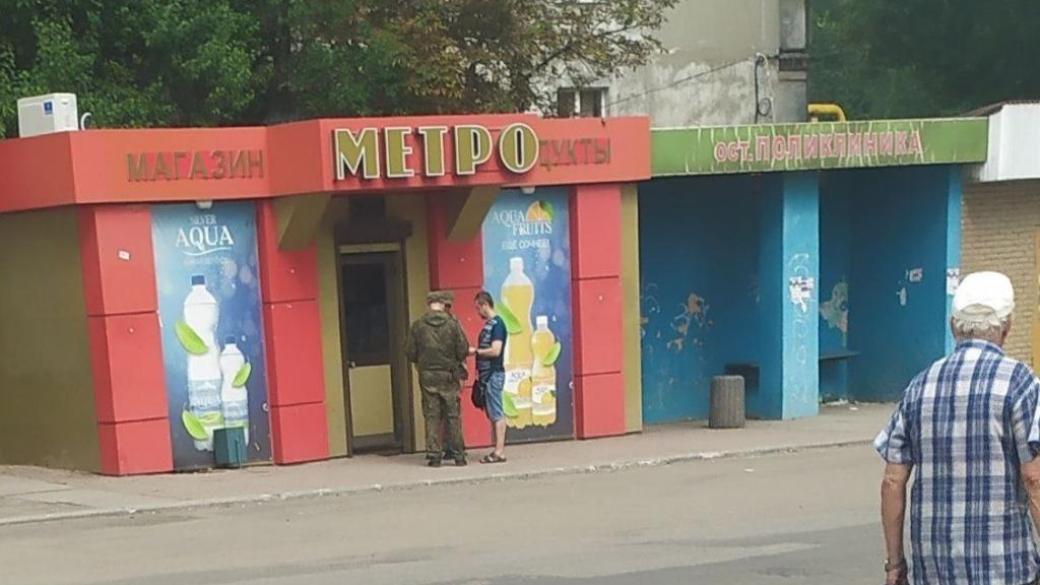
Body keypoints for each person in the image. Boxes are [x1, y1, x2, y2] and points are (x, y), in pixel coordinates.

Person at [875, 271, 1040, 585]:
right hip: (1005, 567)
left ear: (954, 326)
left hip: (935, 570)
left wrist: (894, 563)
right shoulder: (1021, 383)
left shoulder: (919, 386)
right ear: (1007, 326)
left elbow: (892, 481)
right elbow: (1034, 478)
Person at [405, 290, 470, 467]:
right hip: (449, 374)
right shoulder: (453, 324)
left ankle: (434, 455)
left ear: (429, 304)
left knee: (432, 414)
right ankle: (458, 455)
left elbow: (410, 352)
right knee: (452, 415)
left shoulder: (418, 326)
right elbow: (463, 349)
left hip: (427, 376)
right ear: (442, 304)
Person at [470, 291, 508, 463]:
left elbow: (496, 350)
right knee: (492, 412)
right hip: (487, 376)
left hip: (493, 374)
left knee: (497, 412)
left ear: (485, 305)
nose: (477, 312)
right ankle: (497, 449)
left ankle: (499, 451)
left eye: (478, 308)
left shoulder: (497, 325)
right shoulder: (490, 325)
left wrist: (476, 351)